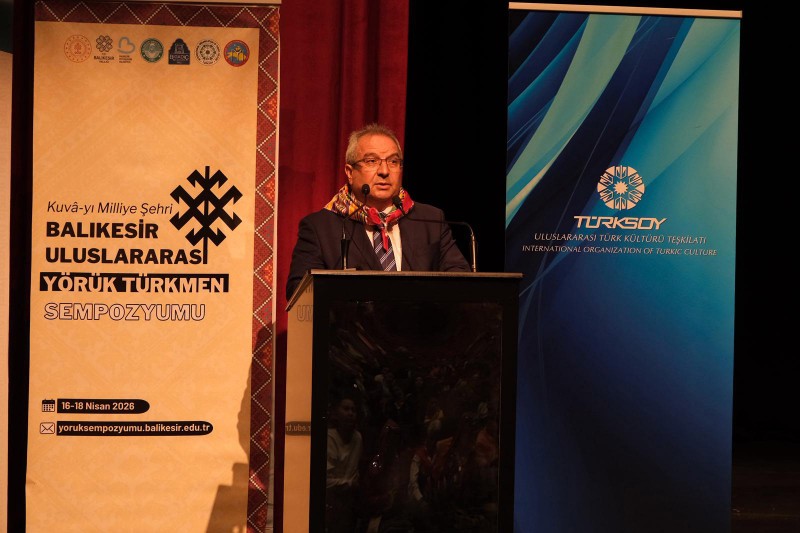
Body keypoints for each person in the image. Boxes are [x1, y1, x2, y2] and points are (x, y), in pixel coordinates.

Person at [286, 123, 470, 298]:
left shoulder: (430, 220)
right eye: (372, 161)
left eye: (393, 161)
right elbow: (299, 292)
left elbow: (461, 279)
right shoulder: (320, 227)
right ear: (350, 172)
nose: (384, 171)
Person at [326, 388, 364, 533]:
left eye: (353, 410)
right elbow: (325, 481)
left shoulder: (357, 438)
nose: (350, 413)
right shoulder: (329, 438)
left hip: (349, 502)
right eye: (346, 409)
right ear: (336, 413)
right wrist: (349, 483)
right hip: (330, 501)